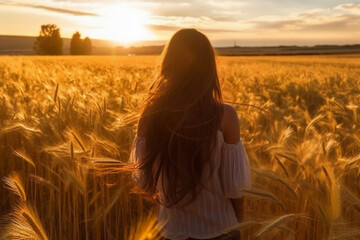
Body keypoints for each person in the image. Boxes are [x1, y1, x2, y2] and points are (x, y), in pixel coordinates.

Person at [130, 28, 252, 240]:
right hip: (221, 231)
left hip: (170, 232)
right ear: (208, 68)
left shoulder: (150, 116)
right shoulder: (225, 116)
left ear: (168, 65)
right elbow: (236, 189)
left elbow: (144, 183)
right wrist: (240, 226)